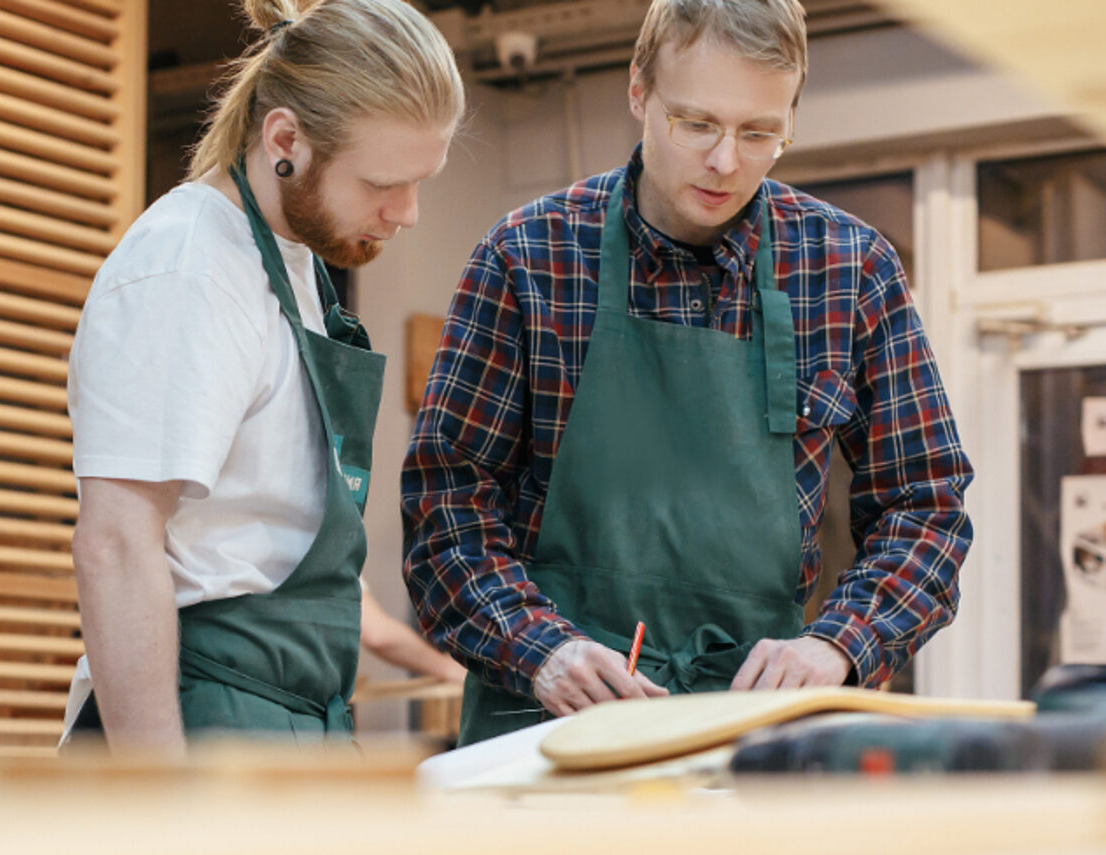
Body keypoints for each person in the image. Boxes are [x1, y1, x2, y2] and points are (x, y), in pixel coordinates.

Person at [402, 0, 973, 746]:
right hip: (546, 737)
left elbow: (925, 504)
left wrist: (836, 643)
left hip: (749, 736)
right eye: (696, 124)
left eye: (760, 132)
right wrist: (543, 650)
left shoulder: (849, 269)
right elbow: (447, 511)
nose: (726, 161)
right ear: (639, 91)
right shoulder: (527, 258)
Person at [60, 0, 463, 756]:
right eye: (384, 182)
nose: (407, 212)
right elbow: (116, 543)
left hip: (292, 714)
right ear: (286, 141)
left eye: (421, 182)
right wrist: (163, 800)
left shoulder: (293, 265)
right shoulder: (188, 267)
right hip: (203, 716)